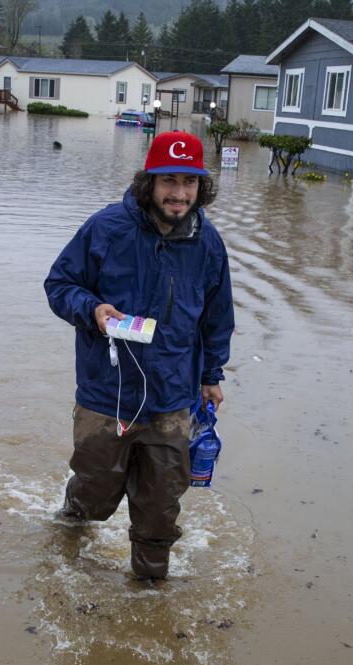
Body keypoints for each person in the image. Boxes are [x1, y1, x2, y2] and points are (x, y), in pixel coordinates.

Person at [44, 131, 235, 580]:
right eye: (169, 181)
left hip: (173, 398)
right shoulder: (106, 228)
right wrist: (91, 309)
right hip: (105, 393)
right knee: (94, 495)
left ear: (201, 187)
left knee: (159, 509)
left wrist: (211, 376)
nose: (180, 193)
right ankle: (67, 531)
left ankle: (149, 592)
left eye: (189, 182)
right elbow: (59, 286)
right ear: (148, 182)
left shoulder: (209, 243)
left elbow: (216, 317)